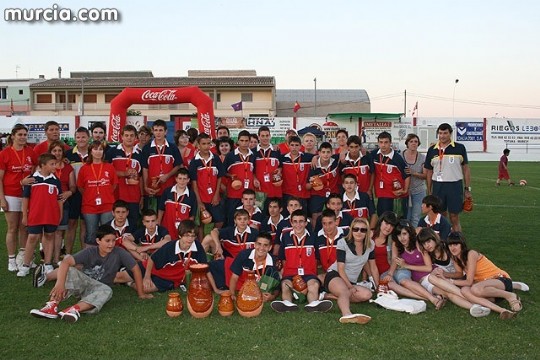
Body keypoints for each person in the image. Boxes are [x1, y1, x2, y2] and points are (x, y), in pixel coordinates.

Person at [30, 225, 152, 322]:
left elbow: (135, 269)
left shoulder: (119, 252)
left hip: (99, 288)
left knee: (108, 291)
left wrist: (141, 293)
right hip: (83, 283)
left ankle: (73, 310)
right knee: (71, 271)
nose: (111, 244)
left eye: (113, 240)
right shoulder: (90, 251)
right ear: (98, 241)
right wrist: (60, 284)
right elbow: (66, 262)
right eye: (107, 241)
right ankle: (51, 306)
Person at [416, 228, 491, 317]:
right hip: (449, 281)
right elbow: (417, 244)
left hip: (460, 279)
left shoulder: (448, 248)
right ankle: (475, 307)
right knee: (449, 294)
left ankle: (474, 301)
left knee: (438, 282)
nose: (427, 245)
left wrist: (444, 274)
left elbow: (459, 273)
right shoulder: (429, 254)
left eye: (428, 241)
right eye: (424, 244)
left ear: (434, 238)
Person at [447, 231, 522, 319]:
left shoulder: (471, 253)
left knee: (475, 289)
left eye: (455, 244)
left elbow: (469, 281)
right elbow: (459, 274)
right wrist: (443, 274)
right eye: (450, 245)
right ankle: (501, 310)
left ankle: (510, 295)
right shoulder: (455, 258)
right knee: (464, 291)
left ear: (462, 244)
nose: (452, 248)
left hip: (500, 280)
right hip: (488, 290)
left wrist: (452, 282)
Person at [118, 220, 206, 293]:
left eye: (193, 236)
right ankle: (126, 273)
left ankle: (130, 283)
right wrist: (147, 276)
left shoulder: (198, 247)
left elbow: (204, 267)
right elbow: (152, 259)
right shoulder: (170, 246)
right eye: (187, 235)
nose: (190, 239)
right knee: (118, 277)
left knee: (144, 289)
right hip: (152, 267)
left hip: (167, 278)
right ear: (180, 235)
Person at [271, 210, 333, 313]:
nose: (298, 224)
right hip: (291, 272)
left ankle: (313, 304)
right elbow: (283, 258)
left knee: (313, 284)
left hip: (308, 272)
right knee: (285, 285)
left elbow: (317, 257)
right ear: (291, 222)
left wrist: (312, 268)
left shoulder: (314, 237)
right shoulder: (286, 237)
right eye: (295, 221)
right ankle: (287, 304)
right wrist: (286, 271)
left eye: (301, 221)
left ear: (306, 222)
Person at [319, 218, 373, 324]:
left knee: (367, 295)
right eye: (356, 229)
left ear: (367, 232)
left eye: (363, 230)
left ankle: (327, 296)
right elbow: (340, 269)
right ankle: (347, 314)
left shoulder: (370, 245)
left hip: (351, 280)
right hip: (336, 275)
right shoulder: (342, 243)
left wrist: (375, 282)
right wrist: (350, 286)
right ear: (351, 230)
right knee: (345, 291)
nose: (359, 232)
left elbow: (372, 265)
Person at [18, 154, 63, 277]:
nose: (55, 166)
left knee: (49, 236)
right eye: (52, 164)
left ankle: (47, 263)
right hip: (35, 215)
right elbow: (25, 198)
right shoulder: (32, 179)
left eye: (55, 164)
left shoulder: (55, 180)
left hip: (51, 215)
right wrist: (24, 215)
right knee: (32, 237)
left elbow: (59, 199)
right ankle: (26, 265)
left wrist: (60, 214)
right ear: (42, 165)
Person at [0, 124, 37, 272]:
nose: (22, 137)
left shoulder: (30, 151)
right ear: (13, 136)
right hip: (11, 194)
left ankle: (22, 257)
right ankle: (11, 259)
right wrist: (1, 199)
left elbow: (36, 167)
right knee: (12, 228)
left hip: (27, 195)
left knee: (25, 227)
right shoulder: (5, 153)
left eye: (24, 135)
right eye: (20, 134)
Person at [386, 220, 446, 309]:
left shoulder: (418, 243)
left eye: (404, 234)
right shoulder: (397, 244)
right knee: (404, 283)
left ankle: (437, 298)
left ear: (410, 233)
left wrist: (406, 265)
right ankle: (434, 299)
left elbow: (428, 267)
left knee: (446, 292)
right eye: (399, 235)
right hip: (419, 278)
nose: (402, 238)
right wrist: (390, 273)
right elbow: (395, 259)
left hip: (432, 273)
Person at [424, 123, 472, 232]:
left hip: (454, 186)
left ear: (450, 134)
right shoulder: (432, 150)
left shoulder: (460, 148)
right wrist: (429, 190)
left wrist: (467, 189)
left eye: (445, 133)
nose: (442, 136)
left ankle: (458, 242)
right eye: (440, 133)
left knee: (454, 216)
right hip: (438, 186)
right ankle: (443, 242)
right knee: (440, 216)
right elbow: (429, 172)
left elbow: (466, 169)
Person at [77, 140, 118, 247]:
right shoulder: (84, 168)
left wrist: (105, 193)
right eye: (95, 149)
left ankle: (106, 260)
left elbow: (113, 185)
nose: (98, 152)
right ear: (90, 151)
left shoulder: (109, 167)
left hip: (107, 205)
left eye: (100, 149)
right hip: (89, 206)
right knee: (91, 234)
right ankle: (90, 261)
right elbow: (81, 187)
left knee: (106, 234)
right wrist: (91, 195)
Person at [106, 125, 143, 227]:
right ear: (121, 136)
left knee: (132, 224)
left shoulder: (140, 154)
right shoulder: (112, 152)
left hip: (133, 195)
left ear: (136, 137)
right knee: (115, 224)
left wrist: (142, 196)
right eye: (126, 135)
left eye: (132, 135)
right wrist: (123, 173)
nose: (129, 138)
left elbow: (141, 177)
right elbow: (107, 172)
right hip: (116, 194)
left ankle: (132, 242)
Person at [189, 133, 225, 238]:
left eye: (208, 143)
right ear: (198, 145)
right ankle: (202, 244)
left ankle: (212, 239)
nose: (206, 146)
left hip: (213, 197)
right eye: (203, 144)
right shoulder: (194, 162)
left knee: (219, 221)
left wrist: (216, 194)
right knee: (200, 223)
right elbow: (194, 183)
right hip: (200, 197)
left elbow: (219, 177)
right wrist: (199, 201)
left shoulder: (216, 159)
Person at [141, 119, 183, 209]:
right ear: (152, 131)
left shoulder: (172, 147)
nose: (158, 133)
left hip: (169, 186)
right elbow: (145, 168)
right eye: (156, 130)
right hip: (152, 187)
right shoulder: (147, 148)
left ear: (166, 131)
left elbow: (178, 165)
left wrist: (168, 175)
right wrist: (145, 186)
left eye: (161, 130)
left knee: (167, 212)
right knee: (151, 213)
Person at [368, 131, 410, 216]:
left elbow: (407, 175)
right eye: (381, 142)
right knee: (382, 217)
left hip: (395, 195)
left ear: (390, 143)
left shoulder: (397, 158)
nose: (383, 145)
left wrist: (405, 190)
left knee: (396, 220)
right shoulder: (374, 155)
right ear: (378, 143)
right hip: (381, 193)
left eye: (386, 142)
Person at [49, 141, 76, 265]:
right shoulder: (46, 166)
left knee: (59, 232)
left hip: (63, 203)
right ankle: (47, 259)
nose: (57, 153)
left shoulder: (68, 167)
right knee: (49, 232)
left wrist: (68, 193)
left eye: (59, 151)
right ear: (50, 152)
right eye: (54, 151)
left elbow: (73, 187)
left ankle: (56, 259)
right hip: (48, 203)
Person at [223, 130, 259, 220]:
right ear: (238, 141)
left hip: (248, 195)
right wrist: (230, 176)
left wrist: (254, 179)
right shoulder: (230, 156)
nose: (244, 143)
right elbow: (223, 172)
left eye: (246, 141)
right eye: (242, 141)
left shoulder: (253, 155)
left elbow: (253, 171)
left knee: (248, 218)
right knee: (233, 218)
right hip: (234, 193)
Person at [65, 126, 90, 254]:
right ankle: (68, 254)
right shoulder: (68, 154)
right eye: (78, 137)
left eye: (83, 137)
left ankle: (84, 254)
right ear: (75, 138)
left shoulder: (94, 152)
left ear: (88, 138)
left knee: (85, 225)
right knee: (72, 224)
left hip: (89, 194)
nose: (81, 140)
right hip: (73, 194)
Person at [307, 142, 341, 226]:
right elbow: (307, 185)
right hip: (318, 192)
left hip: (333, 192)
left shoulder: (335, 161)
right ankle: (315, 233)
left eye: (328, 152)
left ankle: (336, 231)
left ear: (332, 152)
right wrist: (312, 183)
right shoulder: (313, 165)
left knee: (335, 212)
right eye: (323, 152)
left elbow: (345, 151)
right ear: (319, 153)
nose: (325, 155)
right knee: (315, 215)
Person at [157, 168, 197, 239]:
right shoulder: (167, 191)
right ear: (176, 179)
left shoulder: (191, 195)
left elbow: (192, 216)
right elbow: (161, 209)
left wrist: (188, 230)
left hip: (183, 229)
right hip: (167, 226)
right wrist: (158, 223)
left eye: (184, 179)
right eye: (180, 178)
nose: (182, 181)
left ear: (188, 180)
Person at [280, 135, 314, 212]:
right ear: (288, 146)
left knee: (302, 217)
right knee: (288, 218)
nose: (294, 147)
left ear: (300, 146)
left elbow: (320, 157)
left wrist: (315, 158)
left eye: (296, 145)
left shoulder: (307, 157)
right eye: (292, 145)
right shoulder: (282, 158)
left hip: (303, 193)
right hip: (287, 193)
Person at [254, 126, 282, 213]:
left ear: (270, 136)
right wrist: (254, 178)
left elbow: (281, 165)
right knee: (261, 214)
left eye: (267, 135)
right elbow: (251, 170)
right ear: (258, 137)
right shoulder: (253, 152)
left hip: (275, 190)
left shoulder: (277, 151)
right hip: (260, 191)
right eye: (262, 136)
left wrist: (280, 169)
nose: (265, 138)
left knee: (276, 214)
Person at [401, 133, 427, 227]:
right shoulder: (400, 156)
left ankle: (414, 238)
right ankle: (405, 236)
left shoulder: (422, 158)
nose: (413, 143)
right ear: (407, 143)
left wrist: (413, 172)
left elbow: (425, 175)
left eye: (416, 141)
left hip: (418, 191)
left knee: (416, 216)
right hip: (404, 191)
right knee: (406, 216)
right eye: (411, 141)